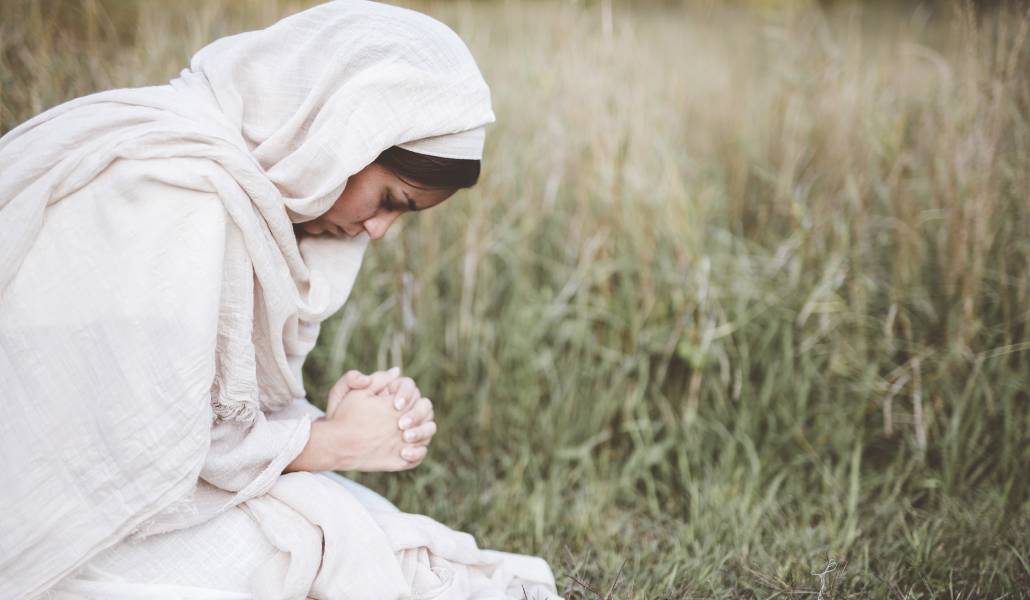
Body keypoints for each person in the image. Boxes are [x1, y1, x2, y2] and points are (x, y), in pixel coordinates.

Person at [0, 1, 560, 599]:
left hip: (117, 492)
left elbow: (192, 411)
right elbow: (140, 453)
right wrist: (334, 443)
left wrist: (313, 422)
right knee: (319, 545)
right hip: (56, 515)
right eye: (392, 200)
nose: (379, 231)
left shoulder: (239, 183)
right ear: (341, 136)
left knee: (358, 524)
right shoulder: (175, 189)